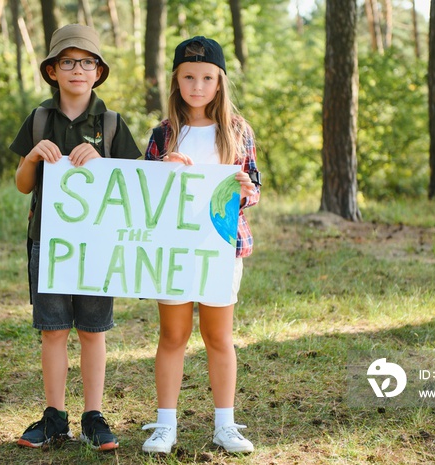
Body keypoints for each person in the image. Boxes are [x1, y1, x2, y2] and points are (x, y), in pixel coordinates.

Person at [10, 24, 141, 451]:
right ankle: (54, 417)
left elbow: (132, 189)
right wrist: (32, 155)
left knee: (92, 331)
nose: (77, 69)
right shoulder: (40, 118)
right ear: (52, 70)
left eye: (87, 62)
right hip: (47, 241)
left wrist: (102, 163)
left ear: (98, 71)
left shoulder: (111, 123)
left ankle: (93, 416)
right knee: (53, 331)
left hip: (97, 246)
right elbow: (23, 185)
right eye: (67, 61)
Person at [141, 36, 260, 455]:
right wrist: (162, 170)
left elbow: (254, 188)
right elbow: (142, 192)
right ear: (176, 80)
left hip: (220, 248)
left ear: (219, 82)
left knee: (218, 337)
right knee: (172, 335)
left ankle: (224, 424)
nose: (197, 85)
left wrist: (245, 189)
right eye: (189, 77)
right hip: (173, 248)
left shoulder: (237, 130)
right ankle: (165, 424)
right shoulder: (165, 133)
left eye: (207, 77)